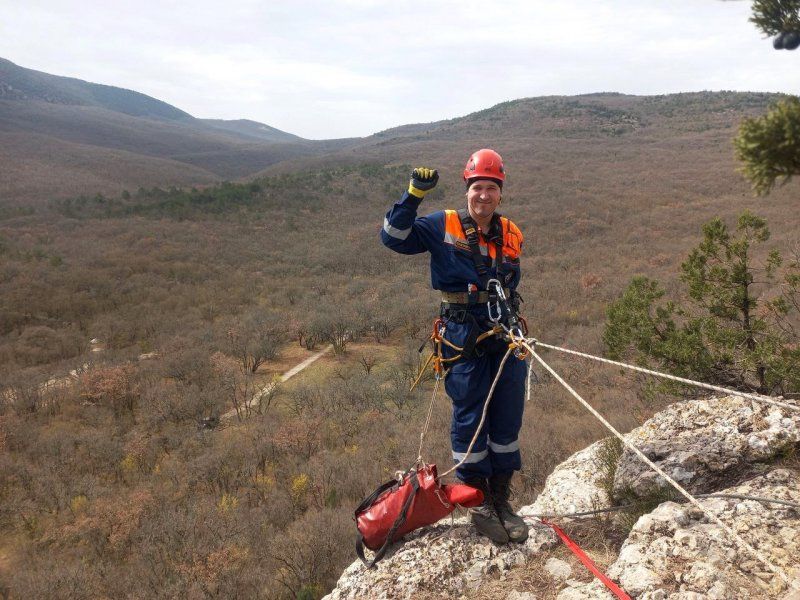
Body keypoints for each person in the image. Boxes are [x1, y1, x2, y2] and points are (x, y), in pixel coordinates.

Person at [380, 148, 529, 544]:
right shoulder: (442, 224)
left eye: (491, 189)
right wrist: (413, 195)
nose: (484, 195)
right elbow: (393, 238)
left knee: (507, 417)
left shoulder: (511, 232)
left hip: (503, 332)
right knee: (470, 414)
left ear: (500, 193)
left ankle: (501, 498)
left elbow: (509, 283)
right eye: (478, 187)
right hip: (462, 333)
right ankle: (477, 499)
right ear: (467, 189)